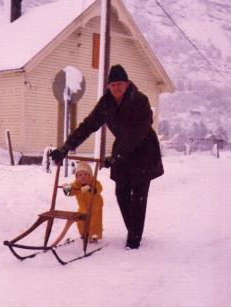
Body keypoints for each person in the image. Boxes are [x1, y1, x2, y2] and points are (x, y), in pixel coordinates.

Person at [50, 64, 164, 250]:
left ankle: (134, 239)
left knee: (138, 196)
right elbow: (88, 125)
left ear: (127, 84)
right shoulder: (107, 103)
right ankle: (133, 229)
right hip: (122, 152)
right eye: (113, 85)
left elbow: (138, 133)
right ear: (108, 87)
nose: (116, 88)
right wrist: (66, 147)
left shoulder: (140, 100)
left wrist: (116, 156)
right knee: (121, 194)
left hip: (144, 151)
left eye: (120, 84)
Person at [62, 161, 103, 243]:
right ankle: (85, 233)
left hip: (95, 207)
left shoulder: (94, 182)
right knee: (80, 222)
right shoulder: (76, 185)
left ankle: (94, 235)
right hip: (83, 208)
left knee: (94, 222)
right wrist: (66, 188)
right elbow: (71, 192)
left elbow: (99, 188)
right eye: (80, 175)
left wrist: (91, 188)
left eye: (85, 174)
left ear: (90, 175)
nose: (83, 177)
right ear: (76, 177)